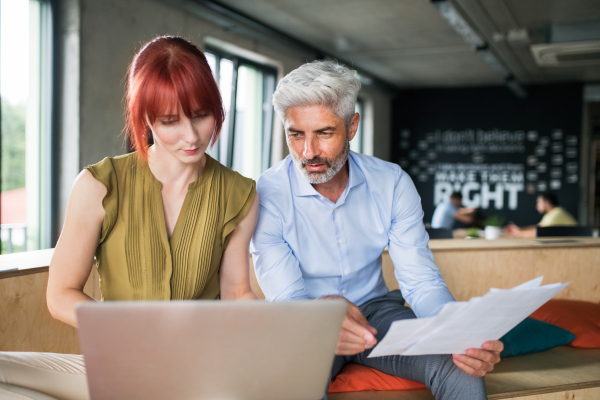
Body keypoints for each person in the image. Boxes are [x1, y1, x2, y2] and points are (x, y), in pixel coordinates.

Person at [0, 36, 258, 400]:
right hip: (115, 364)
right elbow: (60, 294)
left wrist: (272, 337)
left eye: (201, 114)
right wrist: (128, 331)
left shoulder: (239, 194)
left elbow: (237, 293)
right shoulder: (99, 185)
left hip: (196, 367)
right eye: (170, 121)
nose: (192, 135)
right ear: (146, 118)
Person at [251, 61, 503, 400]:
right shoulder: (265, 195)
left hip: (376, 312)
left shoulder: (392, 183)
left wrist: (457, 335)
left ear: (352, 126)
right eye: (296, 134)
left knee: (457, 364)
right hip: (308, 317)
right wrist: (323, 315)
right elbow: (288, 299)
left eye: (324, 133)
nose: (307, 152)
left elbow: (421, 281)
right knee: (291, 385)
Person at [504, 192, 577, 238]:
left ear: (547, 203)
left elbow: (540, 232)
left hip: (579, 244)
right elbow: (538, 227)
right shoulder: (550, 214)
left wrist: (520, 233)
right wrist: (519, 229)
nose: (537, 206)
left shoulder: (557, 212)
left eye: (539, 203)